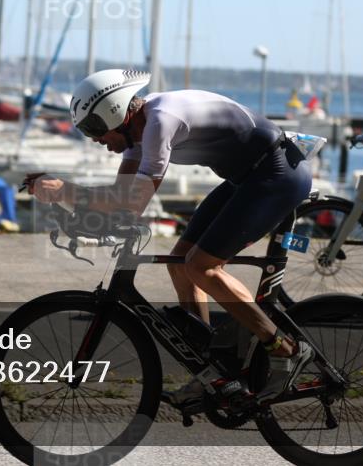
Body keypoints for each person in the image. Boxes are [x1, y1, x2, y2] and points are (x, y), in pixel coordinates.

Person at [24, 69, 313, 410]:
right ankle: (214, 372)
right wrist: (78, 217)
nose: (94, 139)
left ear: (116, 112)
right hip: (246, 179)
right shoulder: (136, 133)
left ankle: (284, 348)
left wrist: (65, 191)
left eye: (94, 128)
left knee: (200, 266)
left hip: (276, 176)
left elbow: (132, 201)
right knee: (181, 265)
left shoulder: (160, 121)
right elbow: (123, 201)